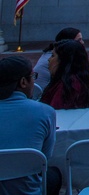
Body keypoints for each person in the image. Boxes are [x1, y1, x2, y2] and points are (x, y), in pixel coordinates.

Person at [0, 55, 61, 195]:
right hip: (28, 191)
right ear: (23, 82)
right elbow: (43, 159)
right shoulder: (45, 112)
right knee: (53, 174)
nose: (34, 80)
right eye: (33, 76)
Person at [40, 39, 89, 110]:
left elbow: (56, 112)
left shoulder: (69, 86)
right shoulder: (82, 81)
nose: (49, 59)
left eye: (53, 55)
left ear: (64, 61)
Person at [34, 27, 84, 91]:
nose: (82, 42)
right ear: (68, 42)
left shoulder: (58, 54)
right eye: (79, 40)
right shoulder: (57, 58)